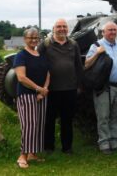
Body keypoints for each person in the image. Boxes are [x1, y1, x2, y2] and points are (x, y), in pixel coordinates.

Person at [38, 18, 83, 154]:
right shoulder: (45, 44)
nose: (62, 29)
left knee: (67, 120)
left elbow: (78, 66)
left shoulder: (73, 44)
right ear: (54, 28)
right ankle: (48, 147)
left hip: (69, 88)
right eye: (59, 27)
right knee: (49, 120)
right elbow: (38, 64)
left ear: (67, 29)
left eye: (64, 26)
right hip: (50, 89)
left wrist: (80, 85)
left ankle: (67, 147)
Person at [85, 21, 117, 154]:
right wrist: (97, 53)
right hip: (104, 87)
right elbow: (86, 64)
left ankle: (114, 141)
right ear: (103, 32)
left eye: (115, 30)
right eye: (110, 30)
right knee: (104, 116)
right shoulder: (96, 45)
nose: (113, 33)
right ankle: (104, 143)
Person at [14, 28, 50, 169]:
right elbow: (21, 77)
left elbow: (48, 72)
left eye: (36, 37)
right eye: (31, 38)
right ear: (25, 39)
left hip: (41, 95)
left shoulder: (40, 54)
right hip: (26, 94)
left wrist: (44, 89)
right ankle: (22, 155)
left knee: (39, 125)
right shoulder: (21, 55)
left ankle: (32, 154)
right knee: (29, 125)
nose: (34, 40)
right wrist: (38, 89)